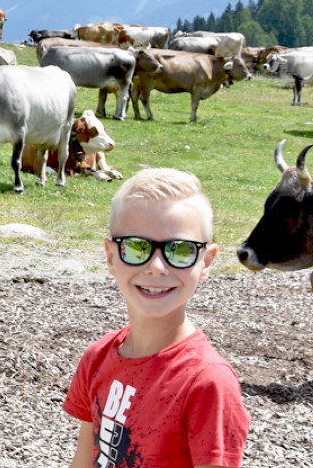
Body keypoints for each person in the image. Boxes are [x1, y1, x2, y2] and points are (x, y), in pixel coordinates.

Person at [65, 168, 250, 468]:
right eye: (138, 247)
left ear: (206, 262)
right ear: (111, 256)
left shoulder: (207, 384)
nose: (157, 267)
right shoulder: (98, 357)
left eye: (179, 251)